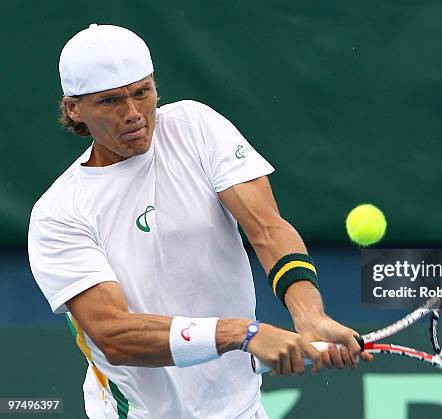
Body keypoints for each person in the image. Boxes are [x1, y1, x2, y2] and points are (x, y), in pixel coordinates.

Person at [28, 24, 372, 419]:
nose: (134, 113)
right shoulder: (59, 213)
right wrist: (240, 334)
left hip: (243, 409)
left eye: (143, 92)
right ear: (75, 109)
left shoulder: (195, 127)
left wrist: (309, 313)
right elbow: (114, 334)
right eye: (110, 101)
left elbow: (266, 228)